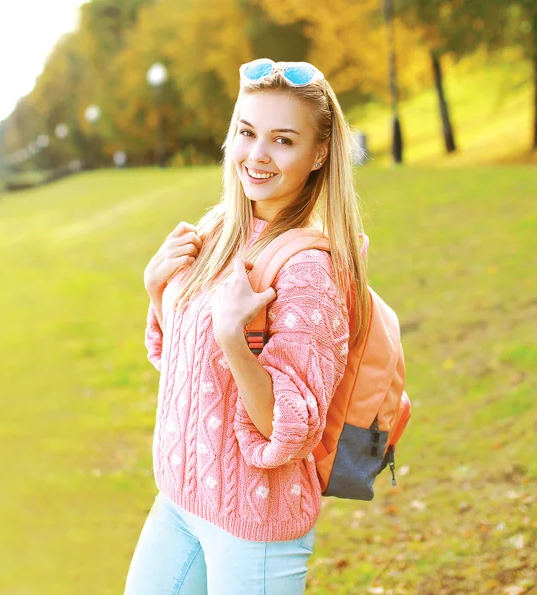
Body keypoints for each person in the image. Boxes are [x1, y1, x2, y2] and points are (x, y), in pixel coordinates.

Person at [123, 58, 371, 595]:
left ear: (319, 153)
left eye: (283, 140)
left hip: (254, 526)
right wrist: (155, 287)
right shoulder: (218, 229)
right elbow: (187, 370)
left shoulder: (308, 269)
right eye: (246, 132)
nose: (257, 155)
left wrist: (235, 341)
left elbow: (291, 428)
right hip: (180, 501)